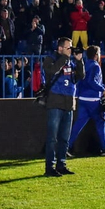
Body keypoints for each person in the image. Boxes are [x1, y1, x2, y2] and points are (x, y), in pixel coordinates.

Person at [42, 37, 85, 177]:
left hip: (68, 103)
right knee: (52, 137)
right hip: (55, 102)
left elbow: (80, 76)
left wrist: (79, 61)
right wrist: (64, 59)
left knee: (64, 138)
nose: (70, 50)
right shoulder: (51, 59)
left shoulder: (71, 62)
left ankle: (62, 164)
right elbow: (52, 71)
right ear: (60, 48)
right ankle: (50, 167)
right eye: (68, 47)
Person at [67, 46, 105, 157]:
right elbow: (92, 81)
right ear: (96, 55)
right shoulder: (96, 66)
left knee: (78, 124)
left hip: (82, 98)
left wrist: (103, 86)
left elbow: (83, 81)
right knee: (101, 122)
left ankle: (67, 146)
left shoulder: (84, 64)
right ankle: (104, 148)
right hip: (93, 100)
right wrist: (103, 89)